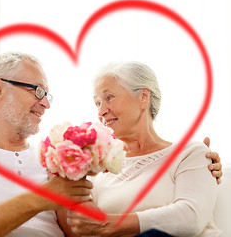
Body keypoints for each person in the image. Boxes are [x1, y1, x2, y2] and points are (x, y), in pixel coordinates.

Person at [58, 61, 222, 236]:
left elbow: (191, 217)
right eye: (97, 103)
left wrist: (111, 224)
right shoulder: (97, 171)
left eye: (109, 98)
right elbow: (84, 229)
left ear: (143, 96)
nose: (101, 111)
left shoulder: (190, 152)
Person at [0, 52, 93, 237]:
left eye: (47, 95)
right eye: (38, 91)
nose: (46, 104)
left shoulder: (52, 159)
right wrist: (41, 198)